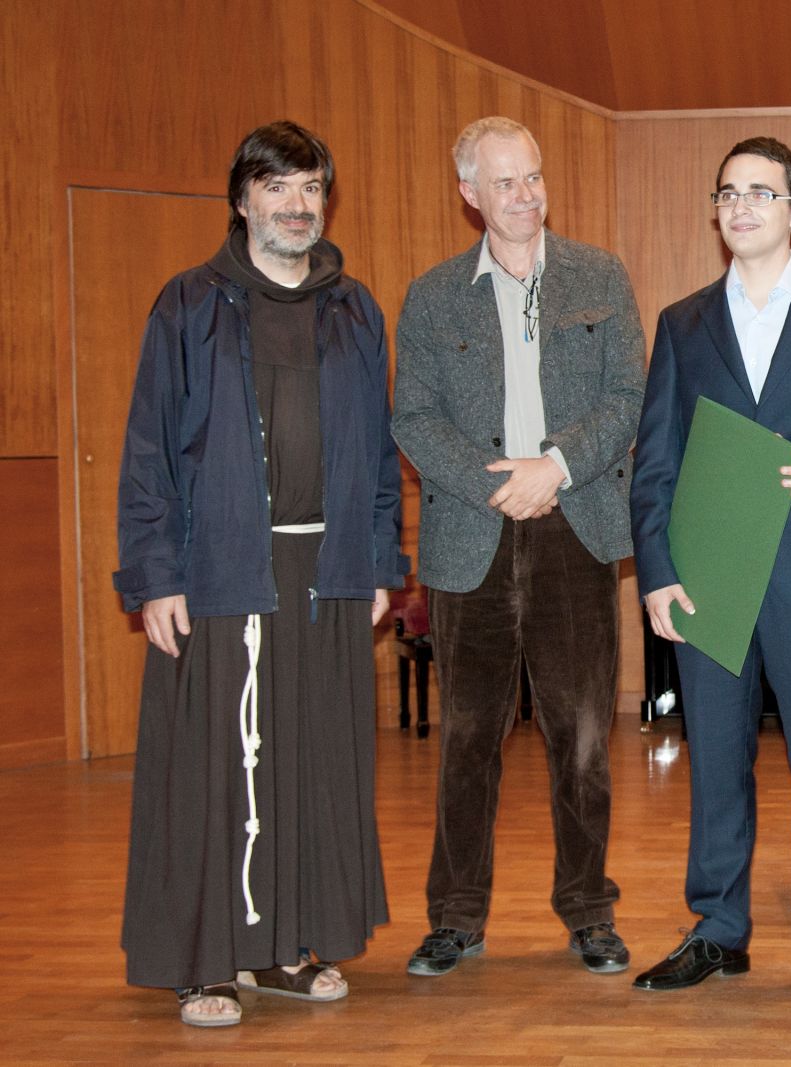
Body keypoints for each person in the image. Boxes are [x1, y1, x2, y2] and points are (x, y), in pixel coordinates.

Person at [115, 120, 406, 1028]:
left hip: (327, 572)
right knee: (212, 769)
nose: (296, 204)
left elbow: (378, 452)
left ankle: (283, 946)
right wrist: (155, 576)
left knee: (309, 763)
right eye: (277, 187)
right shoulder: (188, 304)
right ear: (242, 200)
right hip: (219, 568)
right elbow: (149, 449)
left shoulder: (354, 308)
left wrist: (380, 561)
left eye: (311, 187)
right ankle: (202, 961)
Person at [391, 116, 645, 979]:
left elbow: (627, 396)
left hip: (577, 527)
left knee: (582, 737)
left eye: (532, 176)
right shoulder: (432, 296)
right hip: (473, 535)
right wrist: (498, 483)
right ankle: (456, 916)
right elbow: (413, 416)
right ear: (470, 194)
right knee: (468, 739)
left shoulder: (600, 276)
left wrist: (557, 467)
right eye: (504, 182)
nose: (525, 195)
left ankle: (589, 909)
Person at [629, 137, 791, 1006]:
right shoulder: (682, 322)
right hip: (708, 572)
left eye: (761, 193)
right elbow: (656, 460)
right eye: (727, 192)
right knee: (715, 758)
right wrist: (656, 571)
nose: (740, 206)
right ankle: (718, 927)